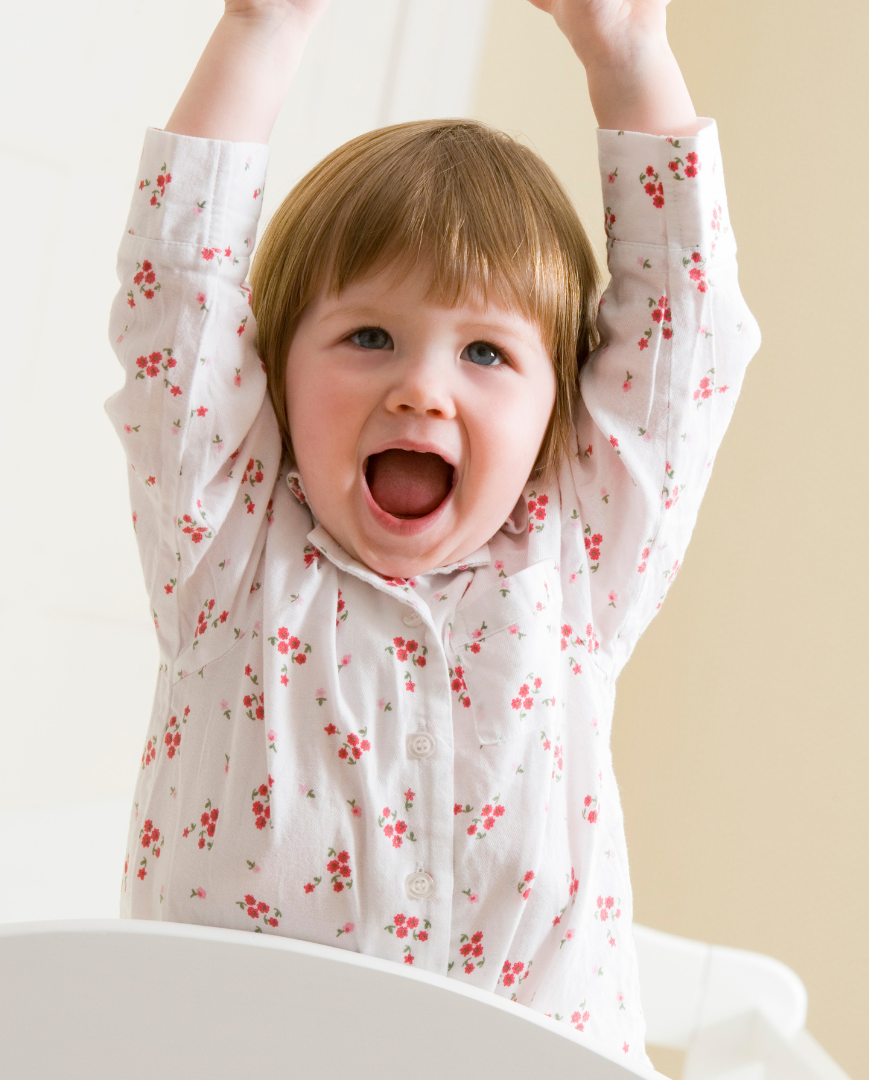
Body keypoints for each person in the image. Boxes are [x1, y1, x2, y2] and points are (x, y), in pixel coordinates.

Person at [106, 0, 759, 1061]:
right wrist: (259, 29)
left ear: (562, 405)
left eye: (487, 355)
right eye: (369, 335)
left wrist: (630, 56)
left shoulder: (575, 563)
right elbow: (174, 305)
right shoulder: (226, 553)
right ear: (271, 371)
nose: (421, 390)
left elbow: (688, 346)